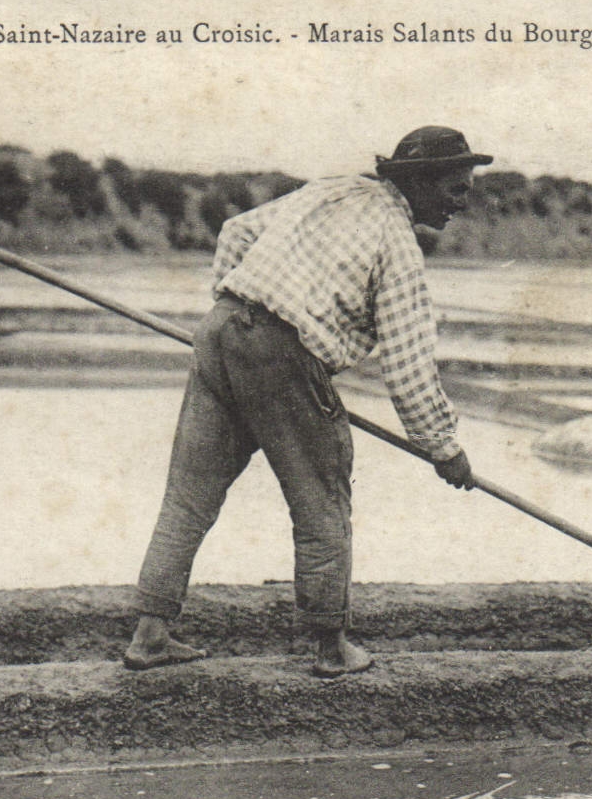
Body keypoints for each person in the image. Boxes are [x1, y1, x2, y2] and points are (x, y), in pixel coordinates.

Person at [123, 125, 491, 677]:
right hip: (280, 355)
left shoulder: (331, 190)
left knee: (187, 499)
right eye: (456, 189)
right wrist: (444, 448)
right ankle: (330, 646)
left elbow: (235, 232)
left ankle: (149, 634)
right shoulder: (398, 245)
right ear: (419, 181)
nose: (462, 204)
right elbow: (410, 365)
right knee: (323, 497)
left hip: (221, 330)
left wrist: (236, 314)